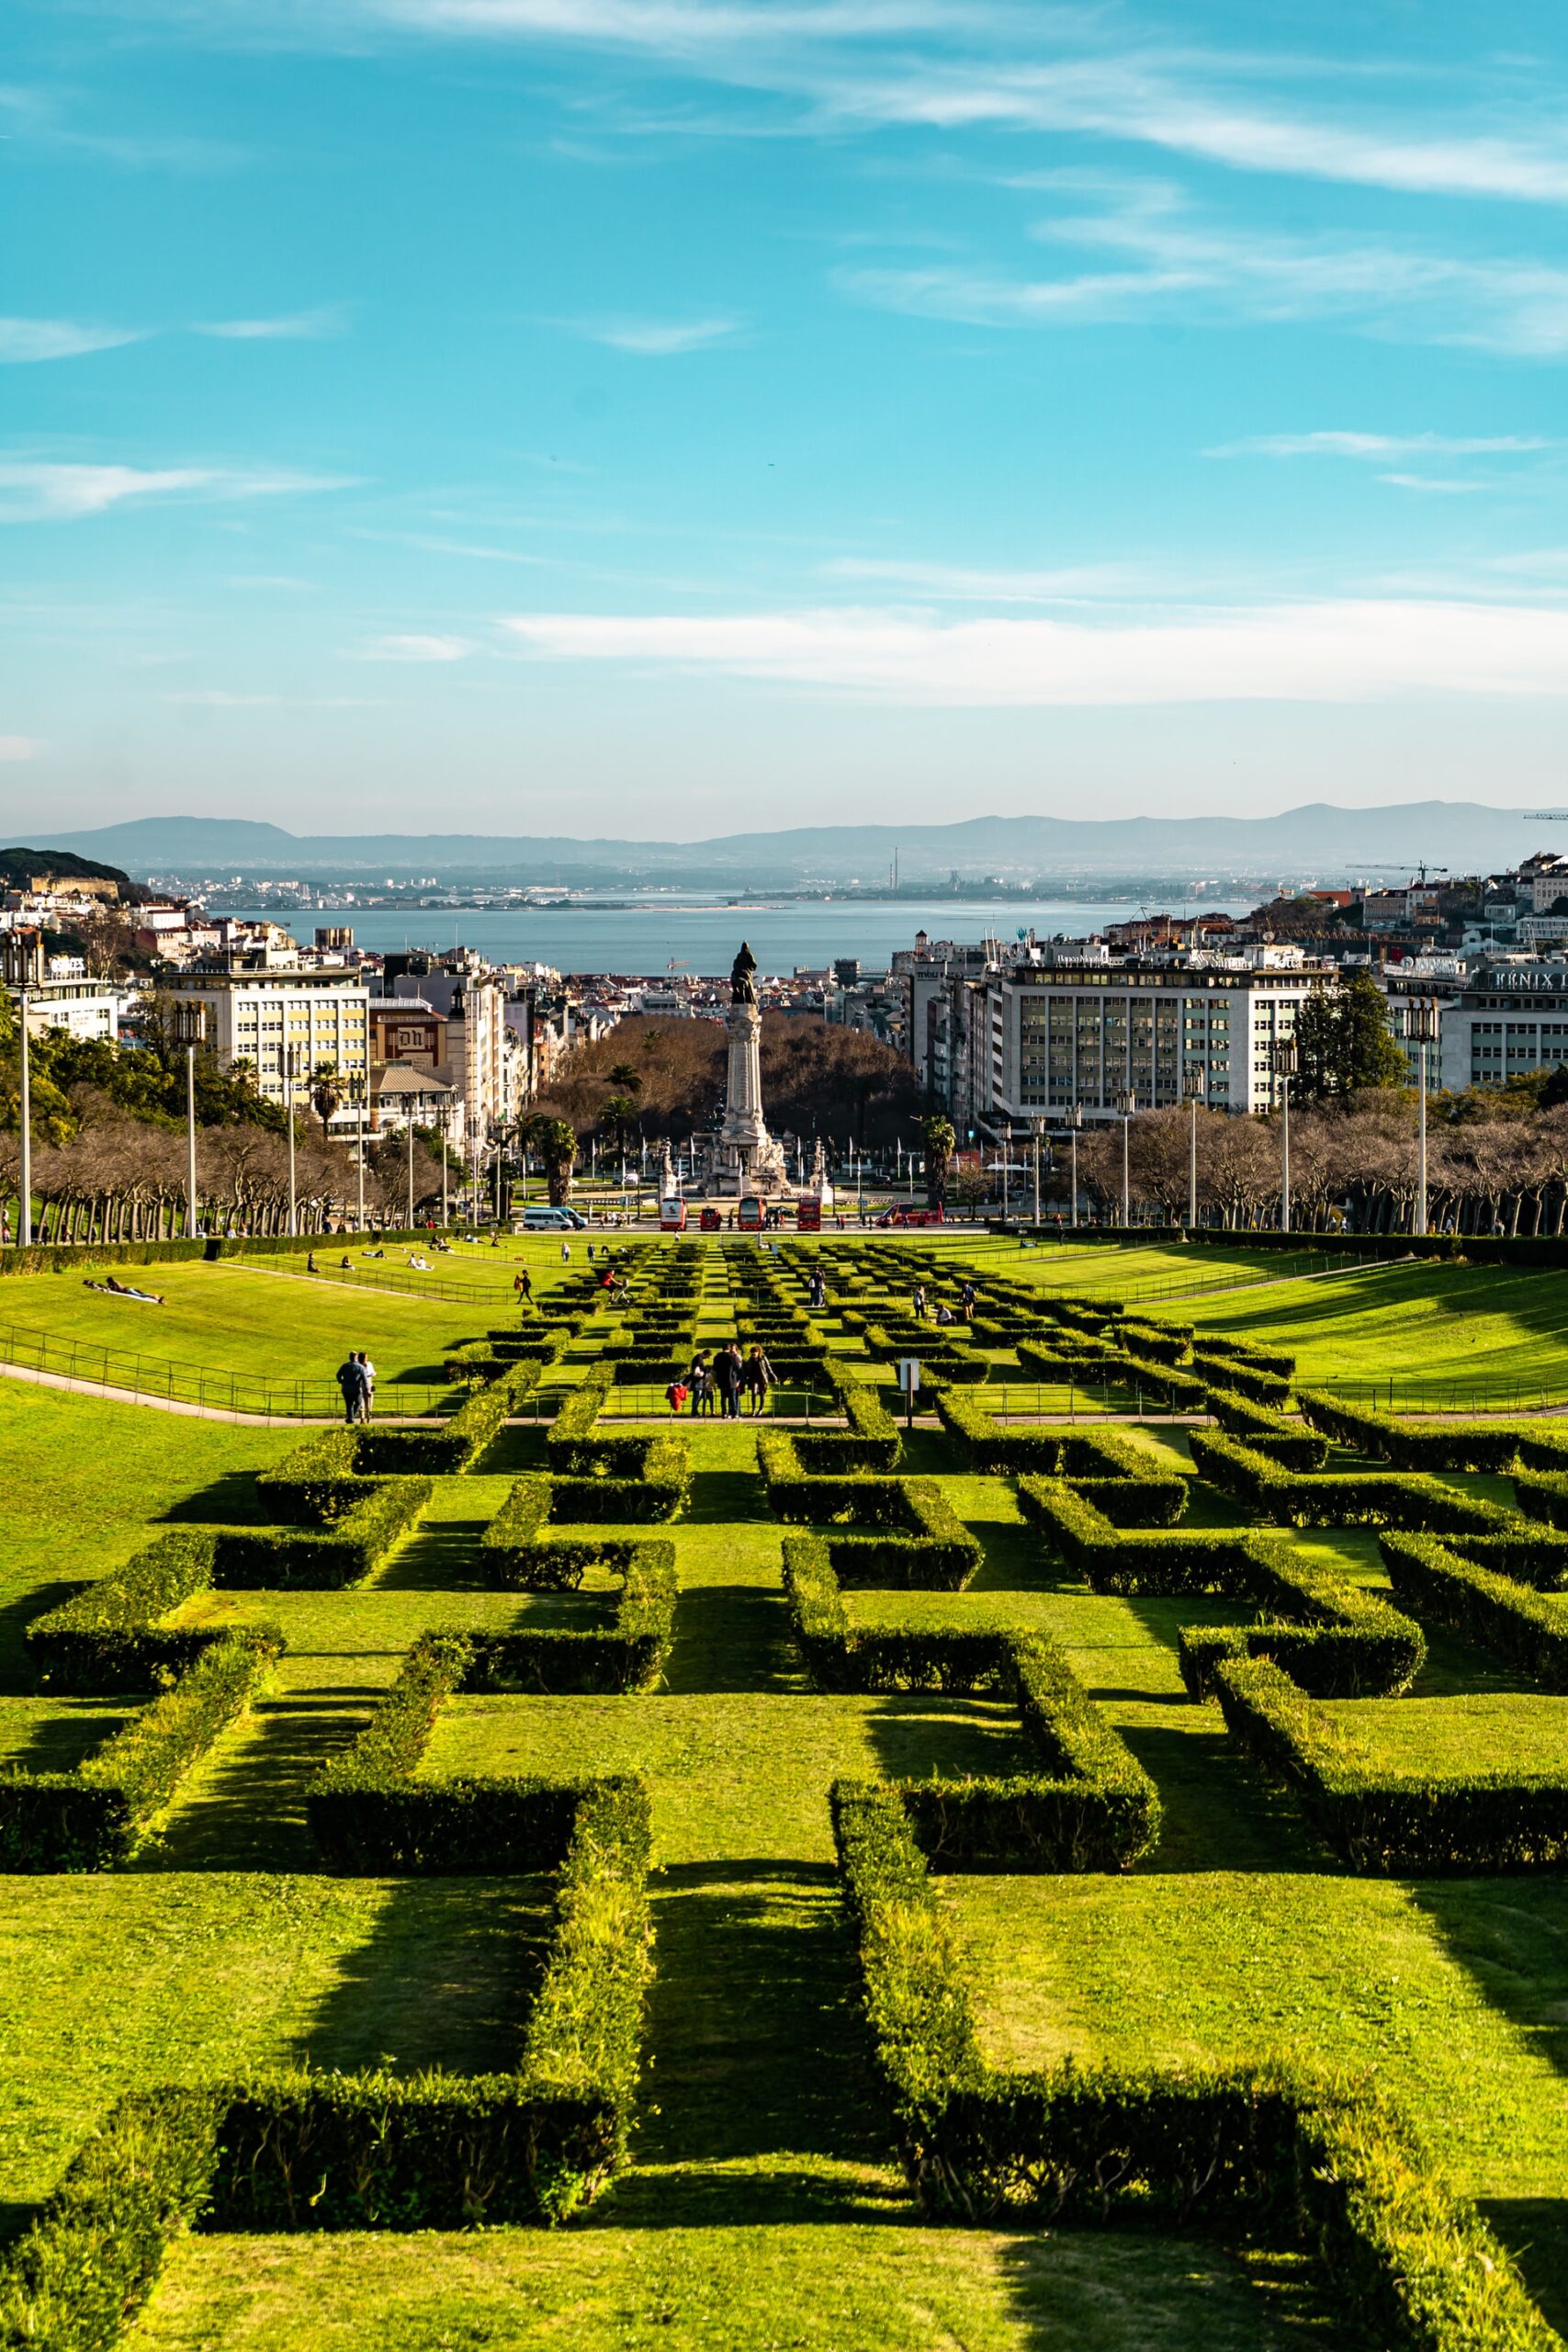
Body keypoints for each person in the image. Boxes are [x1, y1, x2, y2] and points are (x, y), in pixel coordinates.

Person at [742, 1343, 775, 1416]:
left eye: (754, 1354)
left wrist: (773, 1376)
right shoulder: (750, 1359)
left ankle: (760, 1410)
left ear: (758, 1352)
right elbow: (747, 1369)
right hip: (753, 1379)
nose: (753, 1355)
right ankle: (754, 1410)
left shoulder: (763, 1358)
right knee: (753, 1393)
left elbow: (768, 1368)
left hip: (762, 1379)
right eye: (752, 1354)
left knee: (762, 1394)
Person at [715, 1340, 743, 1420]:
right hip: (731, 1380)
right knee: (732, 1398)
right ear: (729, 1348)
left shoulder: (717, 1357)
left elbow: (715, 1368)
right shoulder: (732, 1357)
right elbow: (737, 1367)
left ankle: (724, 1413)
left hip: (721, 1380)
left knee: (723, 1397)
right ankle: (734, 1413)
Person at [336, 1352, 367, 1426]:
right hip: (356, 1389)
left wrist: (341, 1381)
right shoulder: (361, 1367)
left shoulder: (345, 1366)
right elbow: (365, 1379)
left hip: (346, 1389)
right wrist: (366, 1388)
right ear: (356, 1358)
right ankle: (351, 1418)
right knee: (358, 1403)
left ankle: (350, 1418)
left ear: (349, 1357)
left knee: (349, 1404)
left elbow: (338, 1375)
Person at [356, 1351, 377, 1421]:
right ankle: (362, 1418)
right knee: (360, 1402)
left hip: (368, 1382)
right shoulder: (357, 1365)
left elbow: (373, 1372)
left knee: (369, 1402)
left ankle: (369, 1417)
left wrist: (373, 1374)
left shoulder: (369, 1364)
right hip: (360, 1384)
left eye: (366, 1358)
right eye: (365, 1358)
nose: (366, 1359)